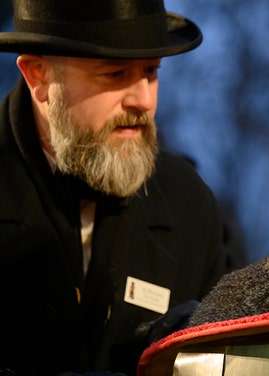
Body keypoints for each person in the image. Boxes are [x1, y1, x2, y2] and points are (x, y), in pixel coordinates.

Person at [0, 0, 228, 374]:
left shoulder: (188, 203)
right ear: (39, 76)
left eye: (151, 72)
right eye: (115, 73)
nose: (144, 100)